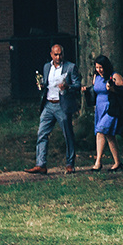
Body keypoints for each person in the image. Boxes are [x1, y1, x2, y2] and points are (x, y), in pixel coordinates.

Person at [27, 41, 83, 175]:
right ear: (51, 54)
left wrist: (67, 87)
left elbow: (78, 85)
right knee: (42, 133)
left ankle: (70, 164)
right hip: (48, 104)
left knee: (67, 134)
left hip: (62, 104)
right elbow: (45, 84)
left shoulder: (70, 67)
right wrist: (40, 84)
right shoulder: (47, 67)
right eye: (56, 55)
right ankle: (41, 164)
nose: (58, 57)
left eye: (60, 54)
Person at [88, 55, 123, 171]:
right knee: (109, 135)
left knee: (101, 131)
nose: (99, 70)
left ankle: (98, 162)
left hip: (111, 108)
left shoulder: (114, 76)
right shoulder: (97, 77)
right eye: (97, 67)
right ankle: (117, 162)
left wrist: (113, 89)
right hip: (99, 108)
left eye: (101, 67)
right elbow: (96, 89)